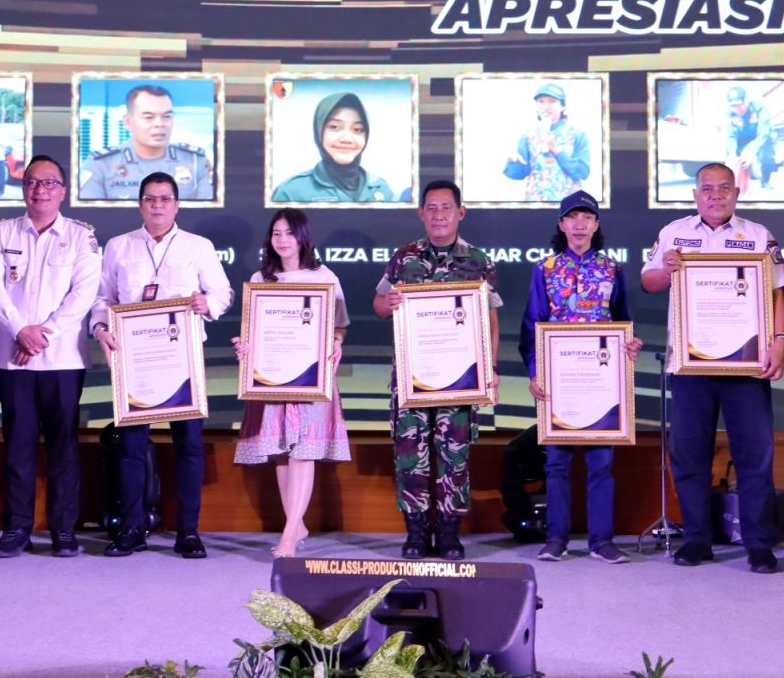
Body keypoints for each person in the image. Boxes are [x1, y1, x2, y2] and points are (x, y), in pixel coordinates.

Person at [640, 162, 784, 573]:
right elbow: (649, 282)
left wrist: (780, 343)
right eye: (707, 188)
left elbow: (778, 295)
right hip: (691, 365)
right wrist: (666, 268)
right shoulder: (673, 232)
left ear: (736, 194)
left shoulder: (757, 235)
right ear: (695, 194)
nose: (715, 195)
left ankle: (758, 543)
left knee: (754, 455)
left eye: (724, 187)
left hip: (746, 364)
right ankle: (696, 539)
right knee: (689, 454)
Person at [92, 171, 232, 559]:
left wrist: (208, 303)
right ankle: (132, 528)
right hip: (135, 361)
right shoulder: (119, 246)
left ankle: (188, 531)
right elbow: (102, 298)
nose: (157, 205)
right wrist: (101, 328)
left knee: (189, 446)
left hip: (182, 360)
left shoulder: (198, 246)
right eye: (150, 199)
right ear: (140, 204)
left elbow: (222, 292)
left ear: (177, 205)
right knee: (131, 447)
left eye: (165, 199)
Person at [0, 155, 101, 558]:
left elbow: (84, 294)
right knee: (18, 444)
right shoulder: (1, 232)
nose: (40, 190)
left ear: (62, 191)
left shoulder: (81, 237)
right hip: (12, 356)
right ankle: (16, 528)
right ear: (23, 188)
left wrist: (41, 335)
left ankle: (63, 529)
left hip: (62, 358)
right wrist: (20, 330)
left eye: (49, 183)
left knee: (63, 446)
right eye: (32, 182)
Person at [373, 180, 501, 560]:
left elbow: (491, 321)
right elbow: (379, 304)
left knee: (454, 456)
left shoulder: (478, 260)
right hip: (413, 375)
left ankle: (448, 534)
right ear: (421, 214)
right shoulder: (404, 257)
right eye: (431, 207)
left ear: (460, 212)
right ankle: (415, 533)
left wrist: (491, 368)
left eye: (446, 207)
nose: (439, 214)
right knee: (410, 454)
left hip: (460, 378)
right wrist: (389, 302)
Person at [519, 191, 642, 564]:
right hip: (559, 382)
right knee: (556, 464)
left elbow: (622, 322)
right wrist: (535, 373)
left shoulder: (611, 269)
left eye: (586, 217)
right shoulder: (545, 269)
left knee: (601, 463)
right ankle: (555, 539)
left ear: (596, 224)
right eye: (572, 217)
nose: (579, 224)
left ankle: (601, 541)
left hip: (600, 383)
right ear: (561, 224)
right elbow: (532, 327)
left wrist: (630, 345)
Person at [232, 208, 350, 558]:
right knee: (282, 454)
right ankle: (295, 525)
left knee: (303, 452)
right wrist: (245, 348)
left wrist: (336, 342)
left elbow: (339, 325)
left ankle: (288, 535)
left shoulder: (324, 276)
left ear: (302, 236)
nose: (282, 240)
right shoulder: (260, 278)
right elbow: (252, 329)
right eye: (276, 233)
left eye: (289, 232)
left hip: (311, 377)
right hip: (272, 378)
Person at [79, 85, 214, 201]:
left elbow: (208, 213)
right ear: (128, 122)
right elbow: (89, 214)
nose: (159, 124)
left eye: (167, 116)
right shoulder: (100, 164)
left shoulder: (195, 161)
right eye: (149, 117)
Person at [272, 92, 397, 204]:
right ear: (319, 131)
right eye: (335, 127)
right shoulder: (291, 192)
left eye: (358, 129)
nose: (346, 139)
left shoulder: (380, 189)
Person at [503, 82, 590, 202]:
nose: (546, 106)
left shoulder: (577, 134)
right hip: (535, 202)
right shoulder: (528, 135)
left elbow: (583, 173)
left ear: (563, 106)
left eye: (552, 101)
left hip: (568, 205)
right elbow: (517, 175)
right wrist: (513, 162)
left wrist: (556, 150)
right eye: (541, 102)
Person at [725, 86, 776, 191]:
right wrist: (732, 153)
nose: (737, 109)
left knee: (767, 154)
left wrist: (750, 151)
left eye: (739, 105)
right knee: (732, 157)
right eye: (733, 106)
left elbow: (763, 134)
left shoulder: (759, 108)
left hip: (759, 137)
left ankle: (765, 180)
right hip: (742, 139)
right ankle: (735, 184)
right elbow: (730, 136)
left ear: (746, 101)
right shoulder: (729, 113)